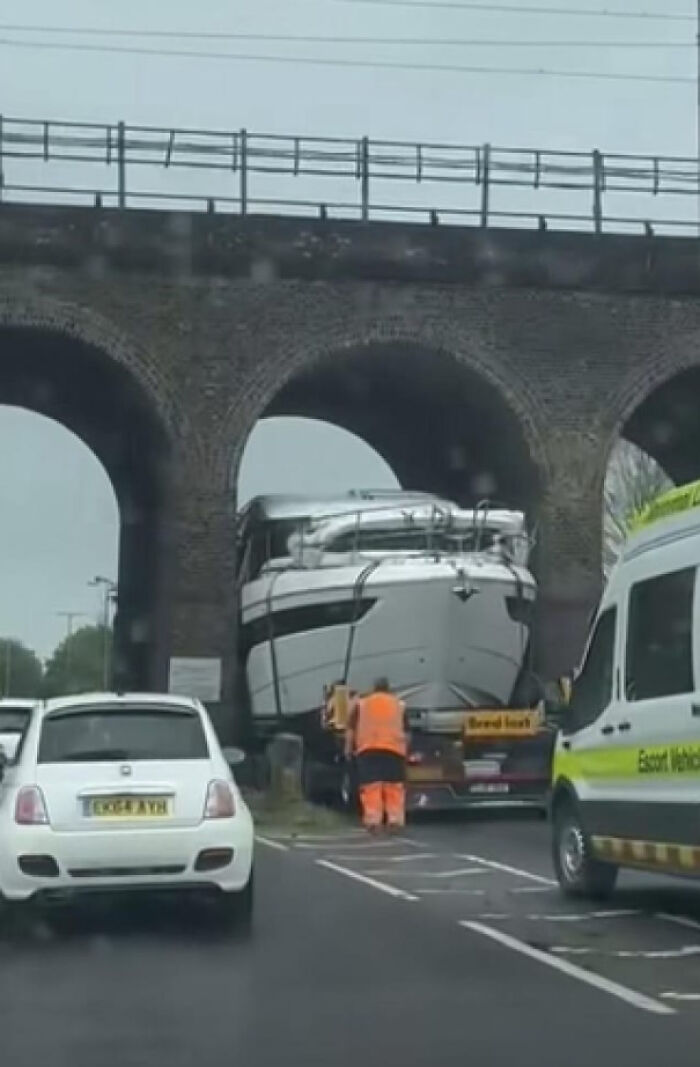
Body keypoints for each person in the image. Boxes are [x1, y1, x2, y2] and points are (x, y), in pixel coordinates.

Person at [344, 677, 408, 833]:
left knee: (371, 786)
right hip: (394, 749)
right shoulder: (399, 705)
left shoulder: (362, 704)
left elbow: (351, 729)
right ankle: (395, 821)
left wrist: (348, 749)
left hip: (368, 749)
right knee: (393, 787)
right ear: (389, 688)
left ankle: (373, 821)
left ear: (374, 688)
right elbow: (406, 731)